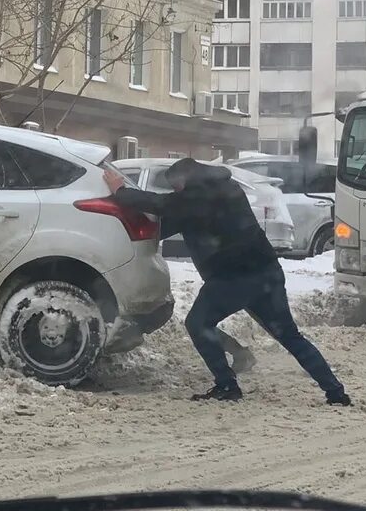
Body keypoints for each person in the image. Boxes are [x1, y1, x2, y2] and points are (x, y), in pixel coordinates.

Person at [103, 159, 351, 406]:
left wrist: (120, 192)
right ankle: (335, 392)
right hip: (266, 273)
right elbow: (171, 220)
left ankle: (227, 385)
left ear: (184, 179)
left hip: (233, 278)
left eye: (176, 186)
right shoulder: (223, 188)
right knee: (290, 335)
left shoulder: (200, 195)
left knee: (198, 323)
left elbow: (160, 204)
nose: (176, 191)